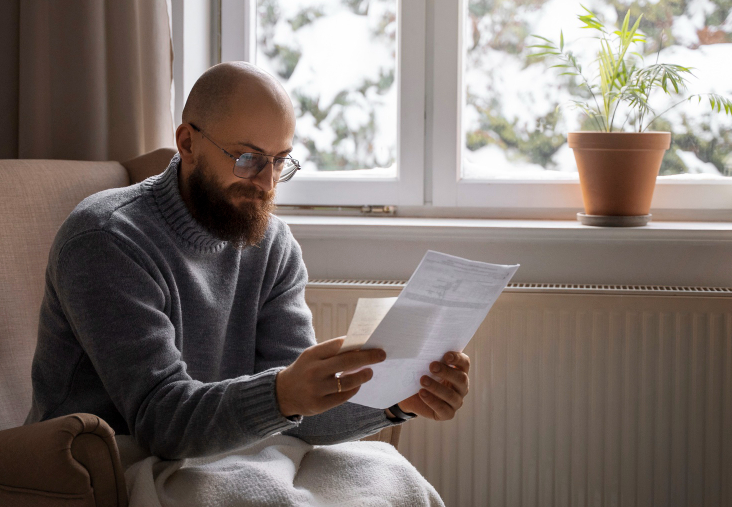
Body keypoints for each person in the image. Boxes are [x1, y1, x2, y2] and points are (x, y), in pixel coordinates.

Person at [26, 60, 471, 460]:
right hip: (98, 472)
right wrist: (281, 395)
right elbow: (159, 421)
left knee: (394, 493)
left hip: (217, 459)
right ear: (187, 143)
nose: (266, 182)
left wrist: (395, 402)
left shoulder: (273, 245)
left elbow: (301, 413)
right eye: (247, 158)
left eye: (280, 161)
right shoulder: (107, 240)